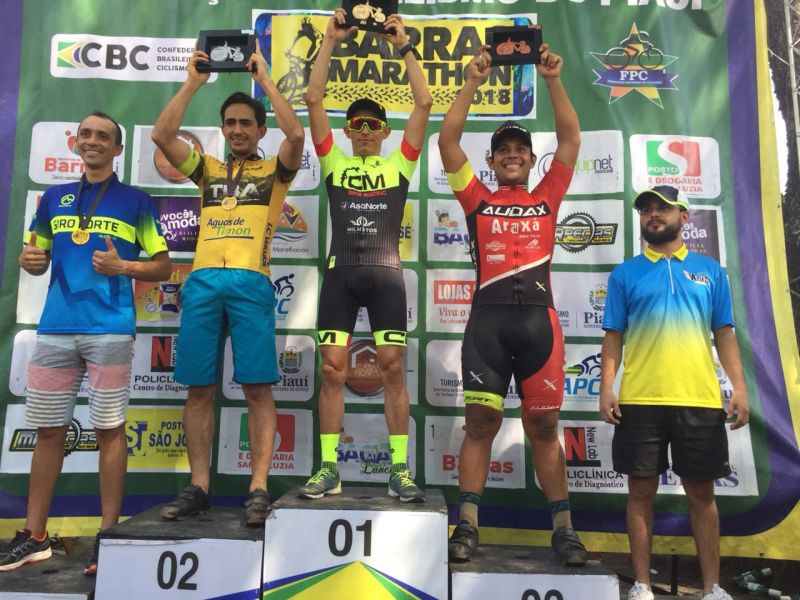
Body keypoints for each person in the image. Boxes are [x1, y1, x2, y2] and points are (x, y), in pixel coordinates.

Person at [438, 40, 589, 565]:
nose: (511, 154)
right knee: (481, 425)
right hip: (488, 326)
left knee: (544, 427)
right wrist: (472, 81)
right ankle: (467, 525)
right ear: (491, 159)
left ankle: (564, 530)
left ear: (529, 159)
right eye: (502, 148)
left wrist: (553, 80)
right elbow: (447, 139)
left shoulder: (548, 195)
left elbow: (570, 139)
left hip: (539, 326)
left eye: (520, 149)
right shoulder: (475, 198)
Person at [0, 112, 171, 575]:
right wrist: (30, 260)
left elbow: (162, 265)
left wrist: (125, 267)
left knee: (110, 431)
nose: (93, 141)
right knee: (48, 431)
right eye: (87, 134)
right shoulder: (52, 198)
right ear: (76, 143)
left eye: (104, 136)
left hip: (110, 328)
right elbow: (35, 255)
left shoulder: (137, 201)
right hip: (56, 326)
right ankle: (35, 536)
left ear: (118, 149)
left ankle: (109, 535)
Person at [151, 40, 304, 525]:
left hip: (250, 282)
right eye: (230, 123)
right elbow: (162, 134)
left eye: (246, 123)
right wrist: (193, 82)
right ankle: (199, 486)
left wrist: (264, 81)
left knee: (257, 389)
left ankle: (258, 488)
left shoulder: (275, 171)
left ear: (260, 130)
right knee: (199, 389)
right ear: (222, 129)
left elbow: (296, 134)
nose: (237, 129)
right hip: (201, 283)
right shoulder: (208, 170)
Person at [296, 9, 432, 503]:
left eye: (375, 124)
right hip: (341, 275)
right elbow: (313, 98)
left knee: (392, 368)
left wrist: (404, 46)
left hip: (386, 276)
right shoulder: (334, 161)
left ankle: (399, 470)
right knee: (333, 370)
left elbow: (424, 101)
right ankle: (329, 468)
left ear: (385, 132)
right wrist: (330, 40)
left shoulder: (399, 165)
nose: (367, 130)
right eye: (358, 124)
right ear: (349, 131)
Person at [599, 185, 749, 600]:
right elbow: (613, 336)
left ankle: (713, 588)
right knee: (640, 492)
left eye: (662, 207)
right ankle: (642, 585)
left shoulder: (710, 271)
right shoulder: (625, 274)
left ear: (683, 216)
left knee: (702, 494)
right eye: (646, 208)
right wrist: (606, 387)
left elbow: (724, 333)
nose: (653, 214)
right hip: (640, 399)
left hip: (698, 399)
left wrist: (739, 387)